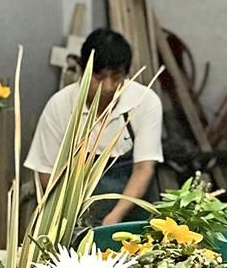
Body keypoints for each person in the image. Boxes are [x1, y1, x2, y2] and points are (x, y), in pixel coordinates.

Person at [24, 28, 163, 226]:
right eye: (98, 77)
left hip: (133, 217)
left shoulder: (145, 102)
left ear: (127, 73)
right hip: (77, 216)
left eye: (116, 77)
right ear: (83, 70)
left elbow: (144, 167)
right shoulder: (61, 105)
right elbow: (47, 171)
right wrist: (72, 214)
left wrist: (115, 216)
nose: (107, 87)